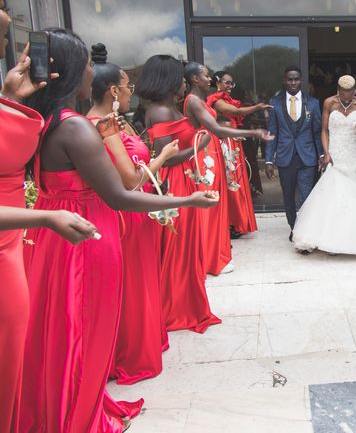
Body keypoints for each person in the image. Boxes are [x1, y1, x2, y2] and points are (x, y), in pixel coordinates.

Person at [20, 30, 217, 432]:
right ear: (75, 73)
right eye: (89, 65)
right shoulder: (75, 128)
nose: (93, 72)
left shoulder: (41, 121)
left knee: (62, 334)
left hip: (55, 235)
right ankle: (76, 418)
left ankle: (69, 407)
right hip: (86, 238)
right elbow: (120, 195)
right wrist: (186, 201)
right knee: (87, 334)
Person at [0, 7, 96, 432]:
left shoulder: (26, 110)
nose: (14, 56)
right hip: (23, 231)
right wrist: (45, 216)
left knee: (21, 351)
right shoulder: (72, 126)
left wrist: (9, 100)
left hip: (15, 239)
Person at [87, 43, 178, 385]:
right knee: (132, 285)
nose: (131, 92)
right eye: (127, 87)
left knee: (140, 282)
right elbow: (130, 179)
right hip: (126, 213)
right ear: (113, 90)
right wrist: (163, 157)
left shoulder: (114, 121)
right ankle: (130, 352)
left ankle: (143, 340)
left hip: (138, 213)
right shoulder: (101, 126)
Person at [137, 55, 222, 334]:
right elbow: (168, 157)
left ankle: (187, 304)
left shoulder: (167, 106)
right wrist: (201, 145)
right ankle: (175, 309)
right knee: (178, 248)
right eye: (180, 77)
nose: (184, 82)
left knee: (188, 247)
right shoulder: (160, 111)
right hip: (174, 181)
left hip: (184, 179)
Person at [292, 75, 356, 255]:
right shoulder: (329, 103)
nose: (347, 96)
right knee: (332, 192)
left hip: (354, 153)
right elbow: (324, 130)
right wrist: (326, 152)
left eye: (350, 92)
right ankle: (325, 237)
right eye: (343, 92)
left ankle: (350, 238)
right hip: (334, 153)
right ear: (338, 91)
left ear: (355, 91)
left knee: (355, 193)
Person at [185, 63, 272, 275]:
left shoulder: (199, 100)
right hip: (205, 155)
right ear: (195, 79)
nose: (209, 79)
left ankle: (217, 254)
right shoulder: (194, 100)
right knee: (210, 207)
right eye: (206, 76)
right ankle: (210, 259)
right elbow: (214, 128)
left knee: (216, 206)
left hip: (212, 150)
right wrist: (254, 133)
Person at [208, 71, 271, 237]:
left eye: (232, 84)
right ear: (217, 82)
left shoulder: (225, 99)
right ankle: (231, 223)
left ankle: (238, 222)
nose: (230, 87)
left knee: (236, 180)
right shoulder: (216, 100)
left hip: (232, 141)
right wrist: (257, 107)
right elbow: (235, 112)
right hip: (224, 143)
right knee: (230, 182)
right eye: (227, 83)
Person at [265, 66, 323, 240]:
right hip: (285, 157)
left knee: (306, 196)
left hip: (307, 157)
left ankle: (305, 231)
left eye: (296, 79)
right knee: (288, 196)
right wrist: (268, 160)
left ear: (301, 80)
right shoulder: (274, 103)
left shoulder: (312, 103)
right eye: (289, 79)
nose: (293, 83)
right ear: (284, 81)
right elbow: (272, 133)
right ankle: (293, 227)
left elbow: (317, 131)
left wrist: (321, 155)